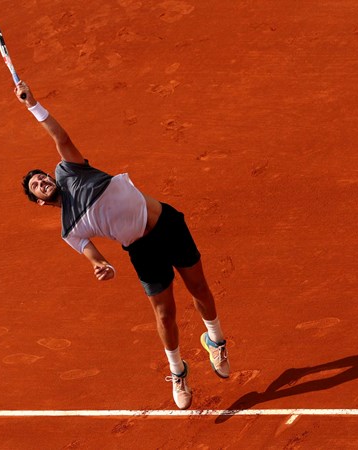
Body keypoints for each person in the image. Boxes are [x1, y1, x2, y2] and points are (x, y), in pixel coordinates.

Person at [14, 81, 229, 410]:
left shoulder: (69, 171)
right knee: (165, 313)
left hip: (167, 224)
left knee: (199, 287)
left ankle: (215, 341)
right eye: (36, 186)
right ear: (40, 202)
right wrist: (103, 267)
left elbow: (60, 137)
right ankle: (178, 372)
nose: (42, 181)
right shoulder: (70, 230)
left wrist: (33, 104)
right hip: (142, 250)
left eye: (41, 177)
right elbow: (97, 259)